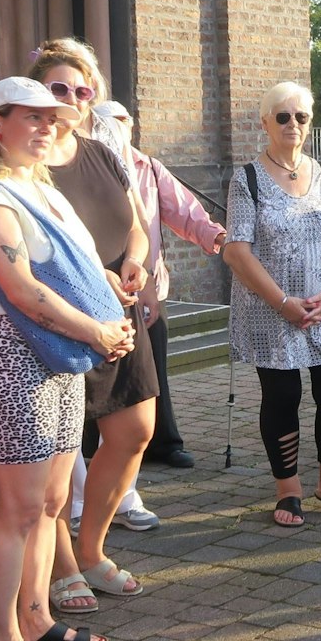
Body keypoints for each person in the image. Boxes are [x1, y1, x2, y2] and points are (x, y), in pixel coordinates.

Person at [0, 77, 132, 641]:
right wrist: (97, 332)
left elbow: (69, 269)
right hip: (14, 354)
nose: (45, 126)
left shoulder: (42, 189)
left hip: (59, 355)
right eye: (28, 117)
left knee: (52, 504)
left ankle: (38, 617)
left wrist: (105, 292)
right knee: (21, 507)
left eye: (52, 118)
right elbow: (22, 292)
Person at [25, 40, 157, 610]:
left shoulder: (102, 153)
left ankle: (92, 549)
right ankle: (61, 568)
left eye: (83, 91)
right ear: (35, 94)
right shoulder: (22, 160)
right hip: (56, 320)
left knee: (133, 432)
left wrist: (135, 259)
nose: (73, 99)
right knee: (55, 456)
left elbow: (136, 225)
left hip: (118, 316)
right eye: (59, 89)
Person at [223, 82, 321, 526]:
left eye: (301, 117)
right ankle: (288, 490)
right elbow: (236, 250)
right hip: (272, 311)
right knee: (283, 396)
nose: (293, 125)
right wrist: (283, 302)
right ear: (265, 122)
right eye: (283, 116)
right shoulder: (247, 178)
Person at [94, 100, 227, 473]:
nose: (118, 127)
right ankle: (91, 446)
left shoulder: (148, 167)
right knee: (100, 370)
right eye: (109, 121)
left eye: (124, 120)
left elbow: (184, 210)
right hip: (97, 289)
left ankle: (164, 441)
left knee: (152, 370)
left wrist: (217, 237)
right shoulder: (84, 166)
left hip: (148, 289)